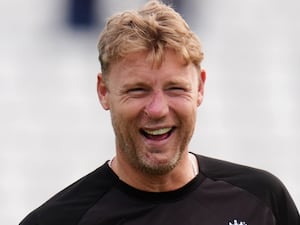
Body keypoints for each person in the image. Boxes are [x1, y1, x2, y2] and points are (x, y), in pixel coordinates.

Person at [20, 1, 300, 225]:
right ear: (104, 91)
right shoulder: (58, 220)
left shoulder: (263, 201)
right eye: (138, 90)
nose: (157, 109)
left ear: (200, 87)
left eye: (175, 88)